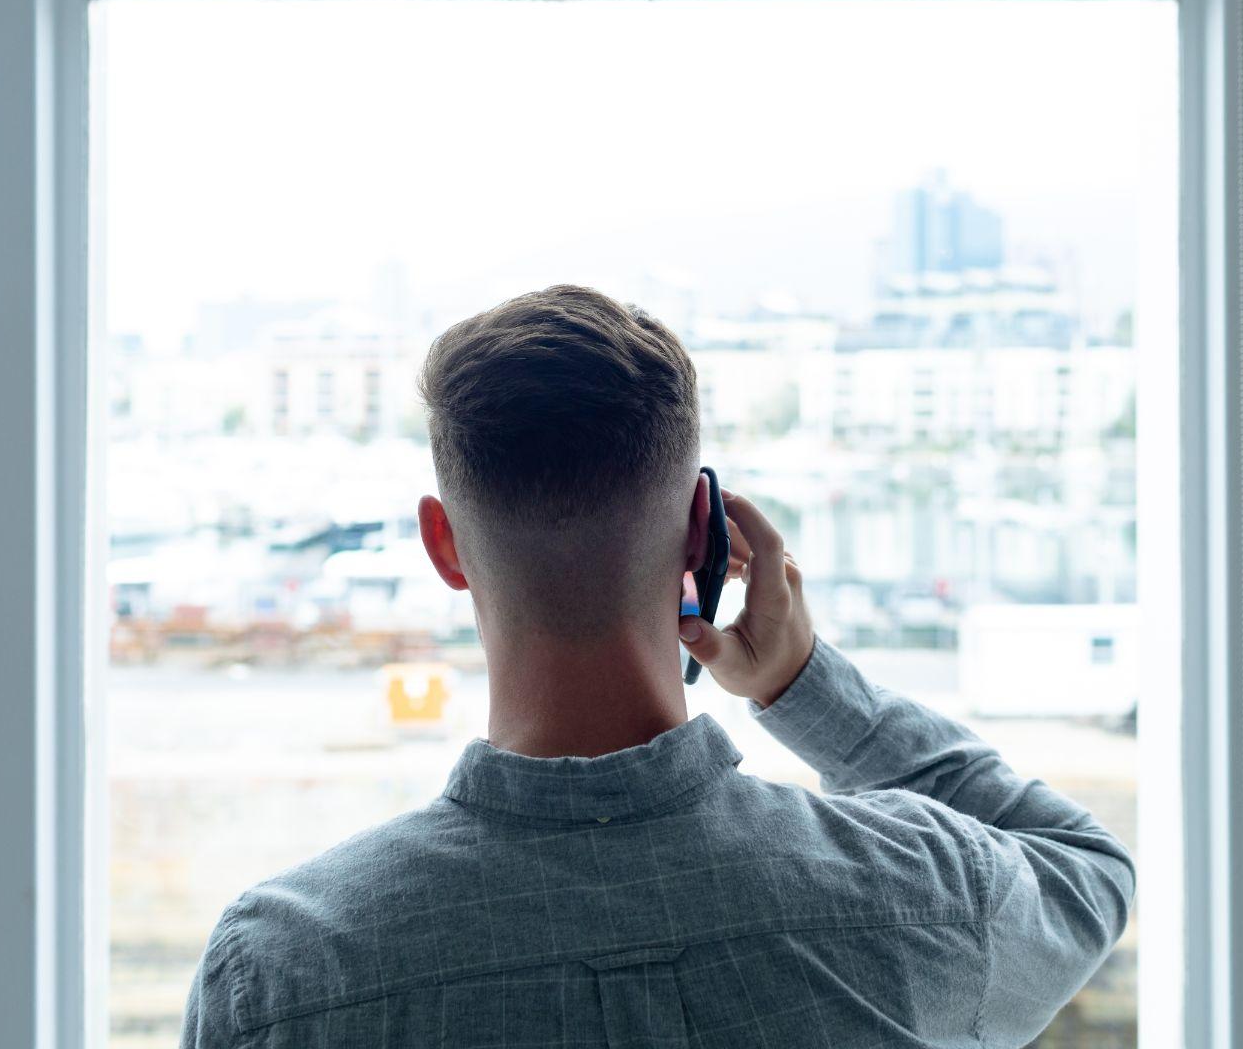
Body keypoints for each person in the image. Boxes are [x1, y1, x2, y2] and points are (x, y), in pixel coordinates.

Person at [180, 286, 1133, 1048]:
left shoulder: (284, 972)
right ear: (704, 532)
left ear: (444, 544)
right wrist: (802, 685)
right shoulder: (922, 892)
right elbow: (1087, 869)